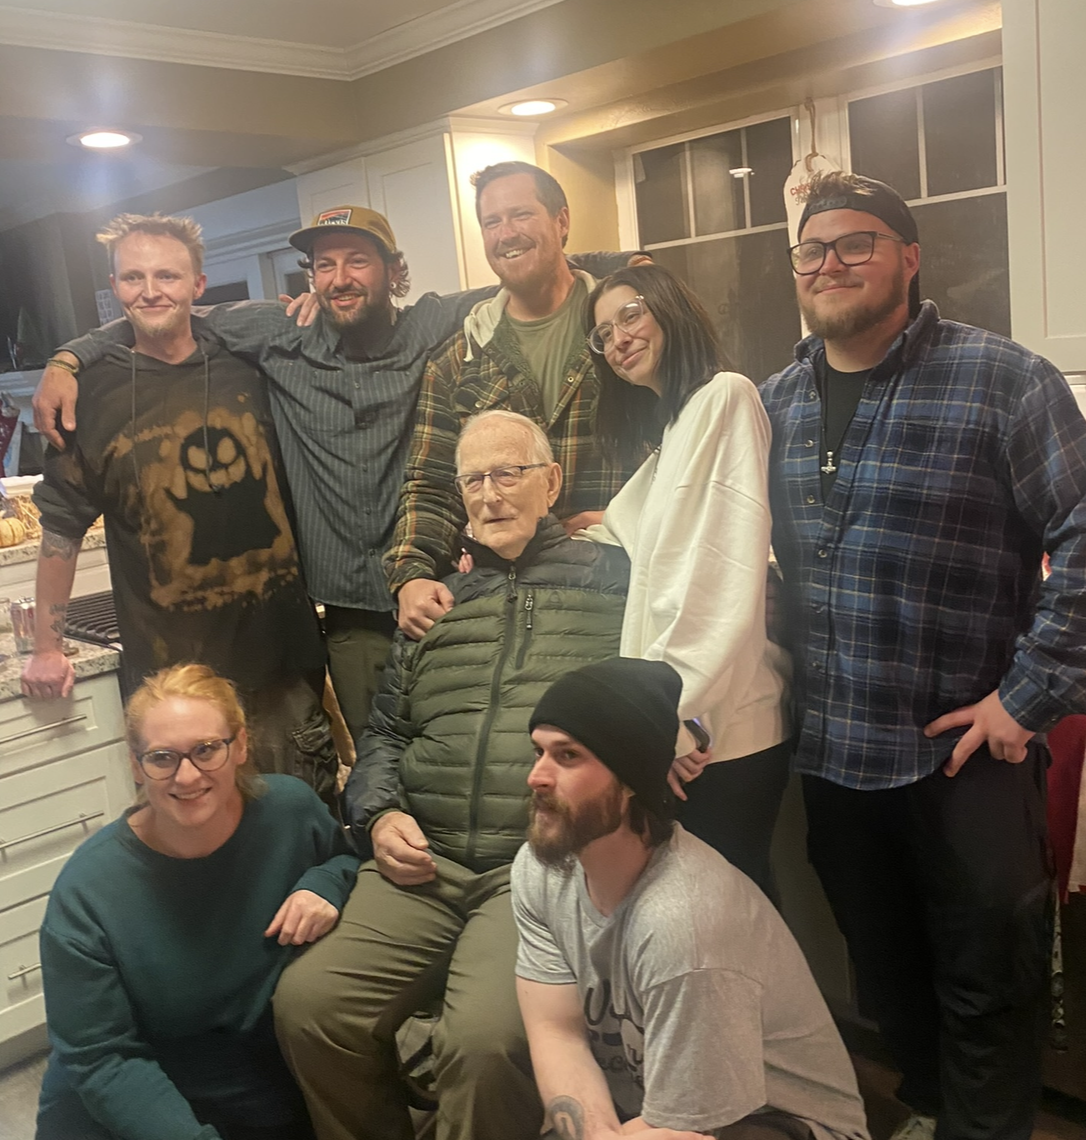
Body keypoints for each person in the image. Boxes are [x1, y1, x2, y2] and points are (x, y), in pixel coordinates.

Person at [759, 168, 1086, 1140]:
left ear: (908, 257)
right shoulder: (774, 401)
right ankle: (930, 1113)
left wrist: (1026, 699)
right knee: (885, 966)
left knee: (988, 974)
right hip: (834, 746)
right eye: (813, 249)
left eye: (856, 244)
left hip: (964, 754)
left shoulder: (1002, 379)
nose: (831, 264)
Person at [274, 409, 632, 1140]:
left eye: (508, 473)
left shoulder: (616, 583)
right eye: (473, 480)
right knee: (310, 1006)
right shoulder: (433, 605)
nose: (489, 493)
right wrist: (378, 813)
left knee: (481, 1041)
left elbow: (681, 675)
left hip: (534, 873)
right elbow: (384, 734)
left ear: (552, 482)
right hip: (420, 861)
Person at [36, 202, 631, 744]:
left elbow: (527, 274)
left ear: (392, 271)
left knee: (468, 736)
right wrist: (69, 357)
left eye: (357, 261)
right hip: (347, 612)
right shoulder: (277, 333)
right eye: (325, 264)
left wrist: (627, 265)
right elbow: (164, 312)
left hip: (438, 585)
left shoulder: (430, 324)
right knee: (377, 749)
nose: (340, 277)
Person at [472, 657, 872, 1140]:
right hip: (646, 1108)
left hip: (788, 1129)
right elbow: (557, 1031)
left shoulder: (685, 923)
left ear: (631, 780)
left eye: (567, 756)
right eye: (538, 752)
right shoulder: (542, 867)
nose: (536, 776)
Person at [35, 665, 358, 1140]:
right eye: (162, 757)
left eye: (206, 749)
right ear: (136, 765)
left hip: (246, 1085)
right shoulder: (89, 890)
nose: (186, 776)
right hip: (121, 1088)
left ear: (240, 746)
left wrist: (327, 883)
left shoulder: (290, 810)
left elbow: (344, 858)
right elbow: (99, 1056)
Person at [23, 215, 338, 800]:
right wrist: (47, 647)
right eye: (133, 277)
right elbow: (61, 528)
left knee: (301, 827)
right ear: (114, 289)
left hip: (281, 668)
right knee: (197, 837)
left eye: (167, 276)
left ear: (198, 285)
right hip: (173, 686)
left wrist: (318, 305)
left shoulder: (256, 362)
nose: (150, 291)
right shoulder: (87, 397)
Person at [583, 258, 791, 892]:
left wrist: (675, 725)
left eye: (631, 315)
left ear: (670, 310)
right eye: (603, 333)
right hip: (693, 724)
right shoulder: (675, 428)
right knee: (703, 914)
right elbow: (630, 527)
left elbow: (717, 578)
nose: (618, 339)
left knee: (727, 916)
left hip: (717, 732)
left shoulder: (725, 396)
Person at [386, 162, 641, 643]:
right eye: (492, 222)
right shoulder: (459, 359)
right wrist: (412, 573)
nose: (506, 234)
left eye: (521, 214)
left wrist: (632, 519)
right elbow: (430, 484)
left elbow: (685, 454)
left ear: (562, 221)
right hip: (506, 607)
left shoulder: (624, 335)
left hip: (621, 593)